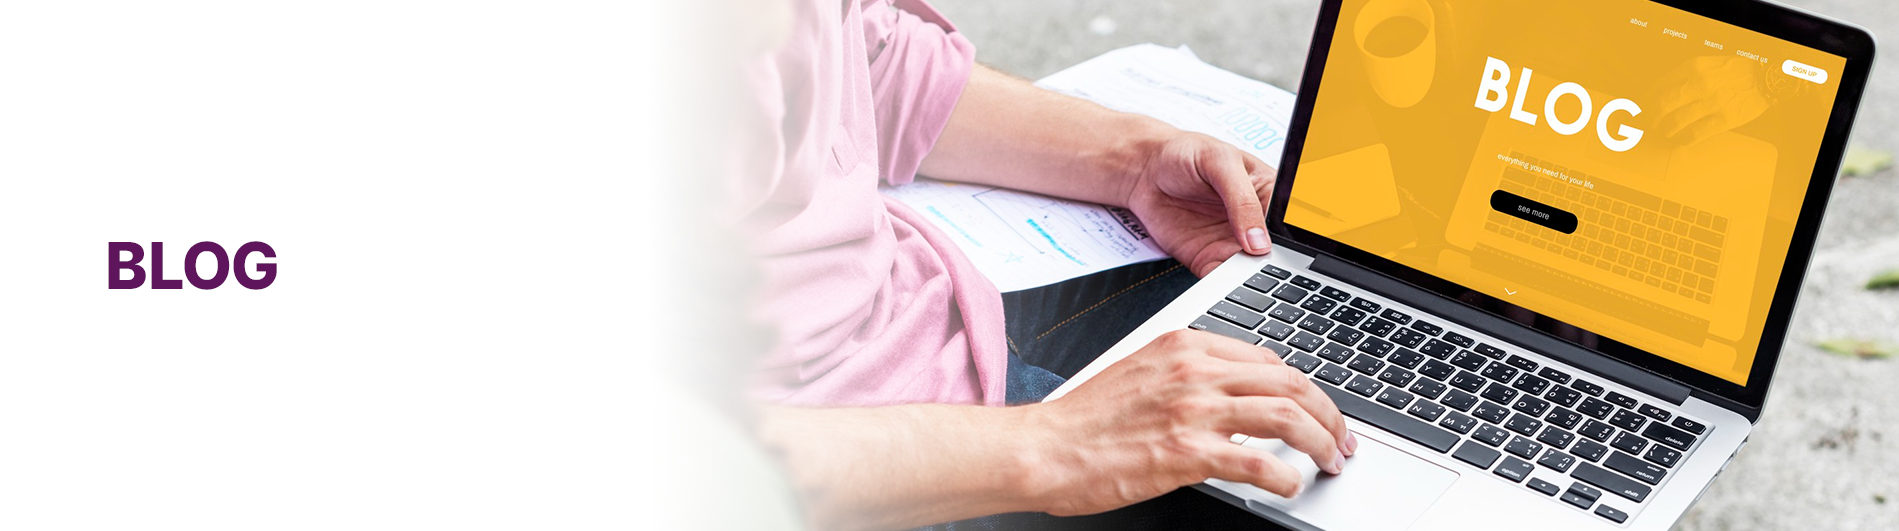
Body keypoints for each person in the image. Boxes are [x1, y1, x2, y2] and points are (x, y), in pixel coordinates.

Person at [731, 1, 1355, 529]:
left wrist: (1134, 163)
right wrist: (1049, 447)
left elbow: (865, 59)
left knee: (1295, 291)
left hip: (929, 296)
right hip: (854, 470)